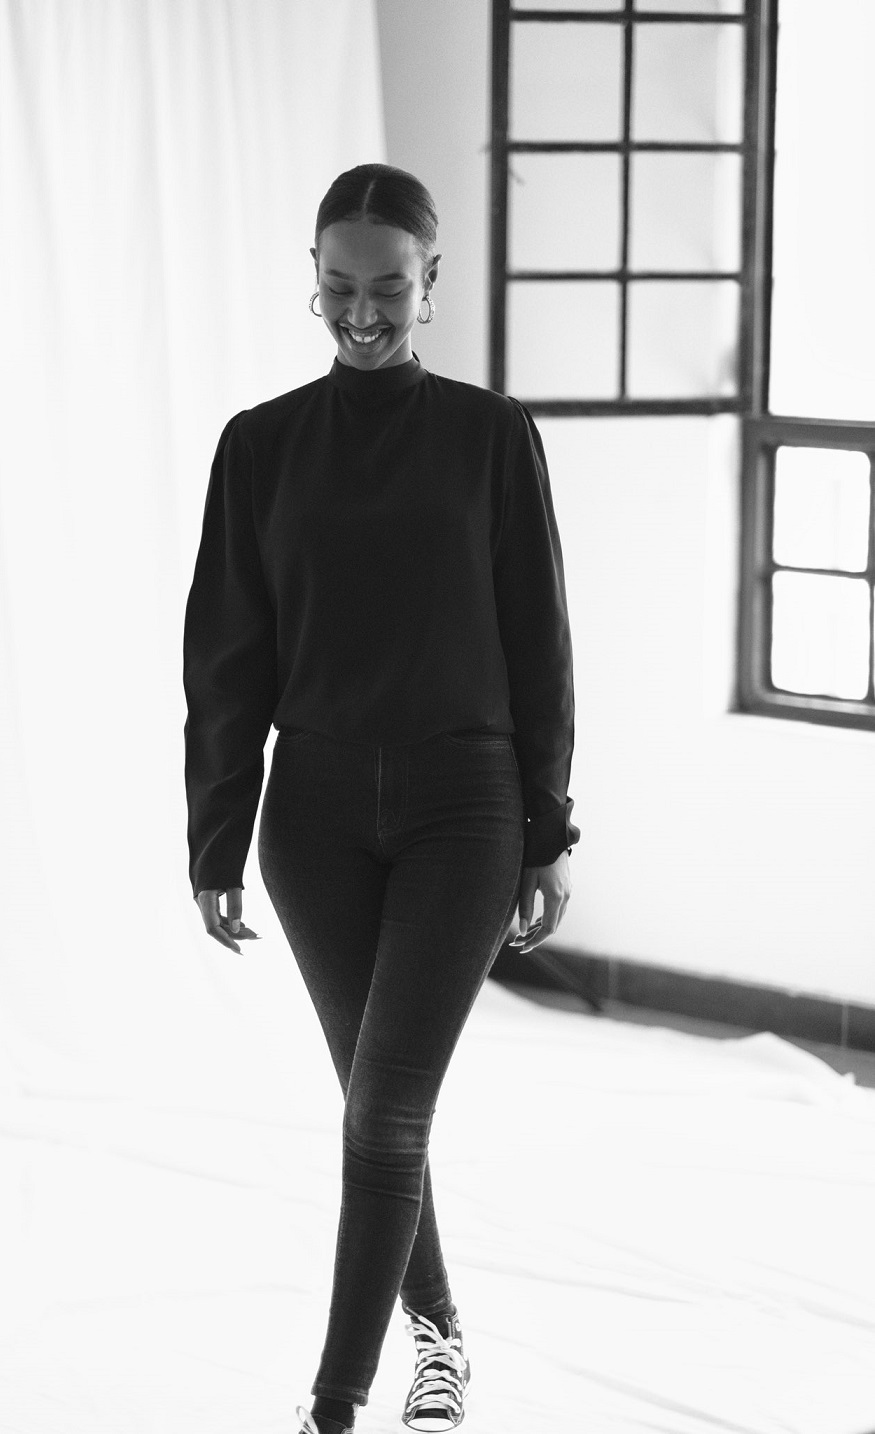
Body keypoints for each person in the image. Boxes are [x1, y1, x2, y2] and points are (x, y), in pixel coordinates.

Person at [182, 163, 579, 1434]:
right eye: (340, 288)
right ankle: (441, 1334)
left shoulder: (491, 437)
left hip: (465, 806)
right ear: (314, 279)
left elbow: (539, 642)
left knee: (390, 1105)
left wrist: (547, 828)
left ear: (430, 282)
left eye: (389, 289)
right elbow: (226, 657)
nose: (362, 314)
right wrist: (216, 834)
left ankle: (334, 1407)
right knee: (374, 1107)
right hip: (312, 816)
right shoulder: (259, 446)